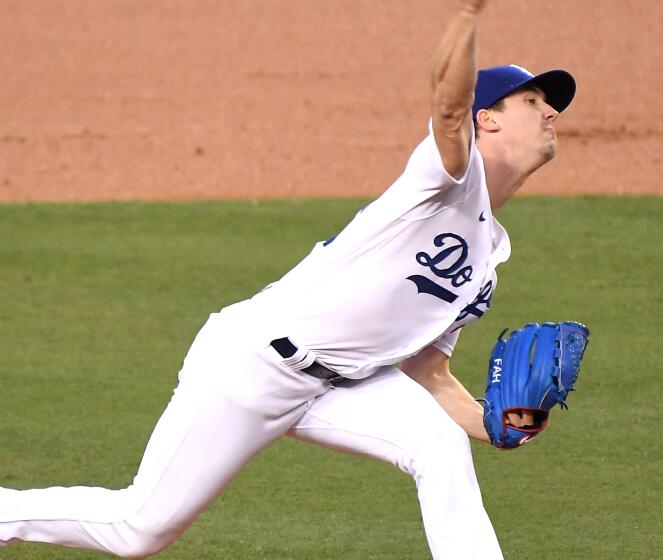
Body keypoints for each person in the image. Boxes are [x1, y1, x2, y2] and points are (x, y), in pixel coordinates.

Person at [0, 0, 576, 558]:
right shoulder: (449, 176)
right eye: (533, 100)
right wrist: (468, 16)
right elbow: (448, 110)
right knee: (138, 531)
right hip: (254, 365)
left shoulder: (489, 258)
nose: (551, 113)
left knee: (441, 445)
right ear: (488, 118)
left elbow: (429, 370)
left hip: (344, 386)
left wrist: (497, 424)